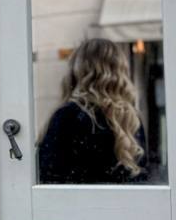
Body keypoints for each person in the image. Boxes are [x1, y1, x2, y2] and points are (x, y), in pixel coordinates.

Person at [37, 38, 150, 184]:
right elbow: (142, 178)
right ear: (120, 72)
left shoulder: (68, 116)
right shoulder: (131, 121)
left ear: (76, 71)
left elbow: (47, 177)